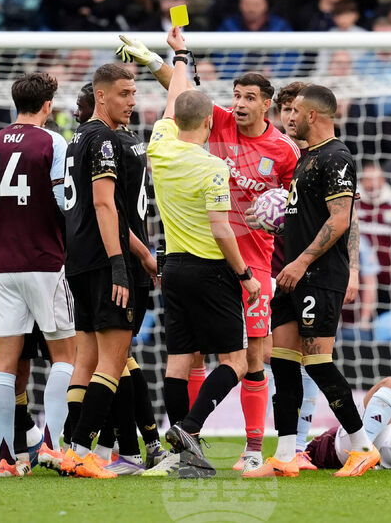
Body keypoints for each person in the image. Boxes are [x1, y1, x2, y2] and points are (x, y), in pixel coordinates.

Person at [119, 35, 300, 473]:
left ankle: (254, 447)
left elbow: (294, 203)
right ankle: (190, 439)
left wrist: (276, 212)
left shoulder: (284, 151)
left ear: (267, 104)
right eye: (235, 96)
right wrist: (159, 64)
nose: (238, 104)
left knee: (254, 355)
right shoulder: (215, 122)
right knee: (199, 356)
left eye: (248, 98)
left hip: (252, 256)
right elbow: (183, 99)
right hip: (217, 259)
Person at [137, 27, 257, 478]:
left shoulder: (159, 146)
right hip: (210, 269)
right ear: (209, 122)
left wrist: (179, 57)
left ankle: (178, 451)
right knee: (236, 361)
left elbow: (175, 102)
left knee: (178, 360)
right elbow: (222, 229)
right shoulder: (212, 167)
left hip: (172, 266)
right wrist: (244, 274)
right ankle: (189, 428)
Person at [243, 84, 377, 479]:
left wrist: (300, 263)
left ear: (313, 116)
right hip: (291, 276)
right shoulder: (306, 159)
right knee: (282, 365)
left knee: (318, 362)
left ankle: (363, 447)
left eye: (295, 111)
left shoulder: (336, 158)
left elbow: (340, 220)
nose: (289, 117)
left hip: (318, 276)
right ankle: (285, 455)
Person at [0, 73, 76, 478]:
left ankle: (8, 458)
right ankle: (50, 443)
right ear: (48, 105)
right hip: (45, 262)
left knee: (5, 364)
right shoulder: (53, 142)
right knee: (67, 355)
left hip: (1, 267)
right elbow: (65, 200)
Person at [60, 63, 156, 479]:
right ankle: (81, 452)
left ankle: (84, 447)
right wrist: (122, 265)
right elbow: (105, 206)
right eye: (123, 94)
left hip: (79, 261)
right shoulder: (103, 140)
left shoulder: (77, 137)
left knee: (95, 357)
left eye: (134, 94)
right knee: (112, 362)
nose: (131, 102)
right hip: (104, 261)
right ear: (101, 96)